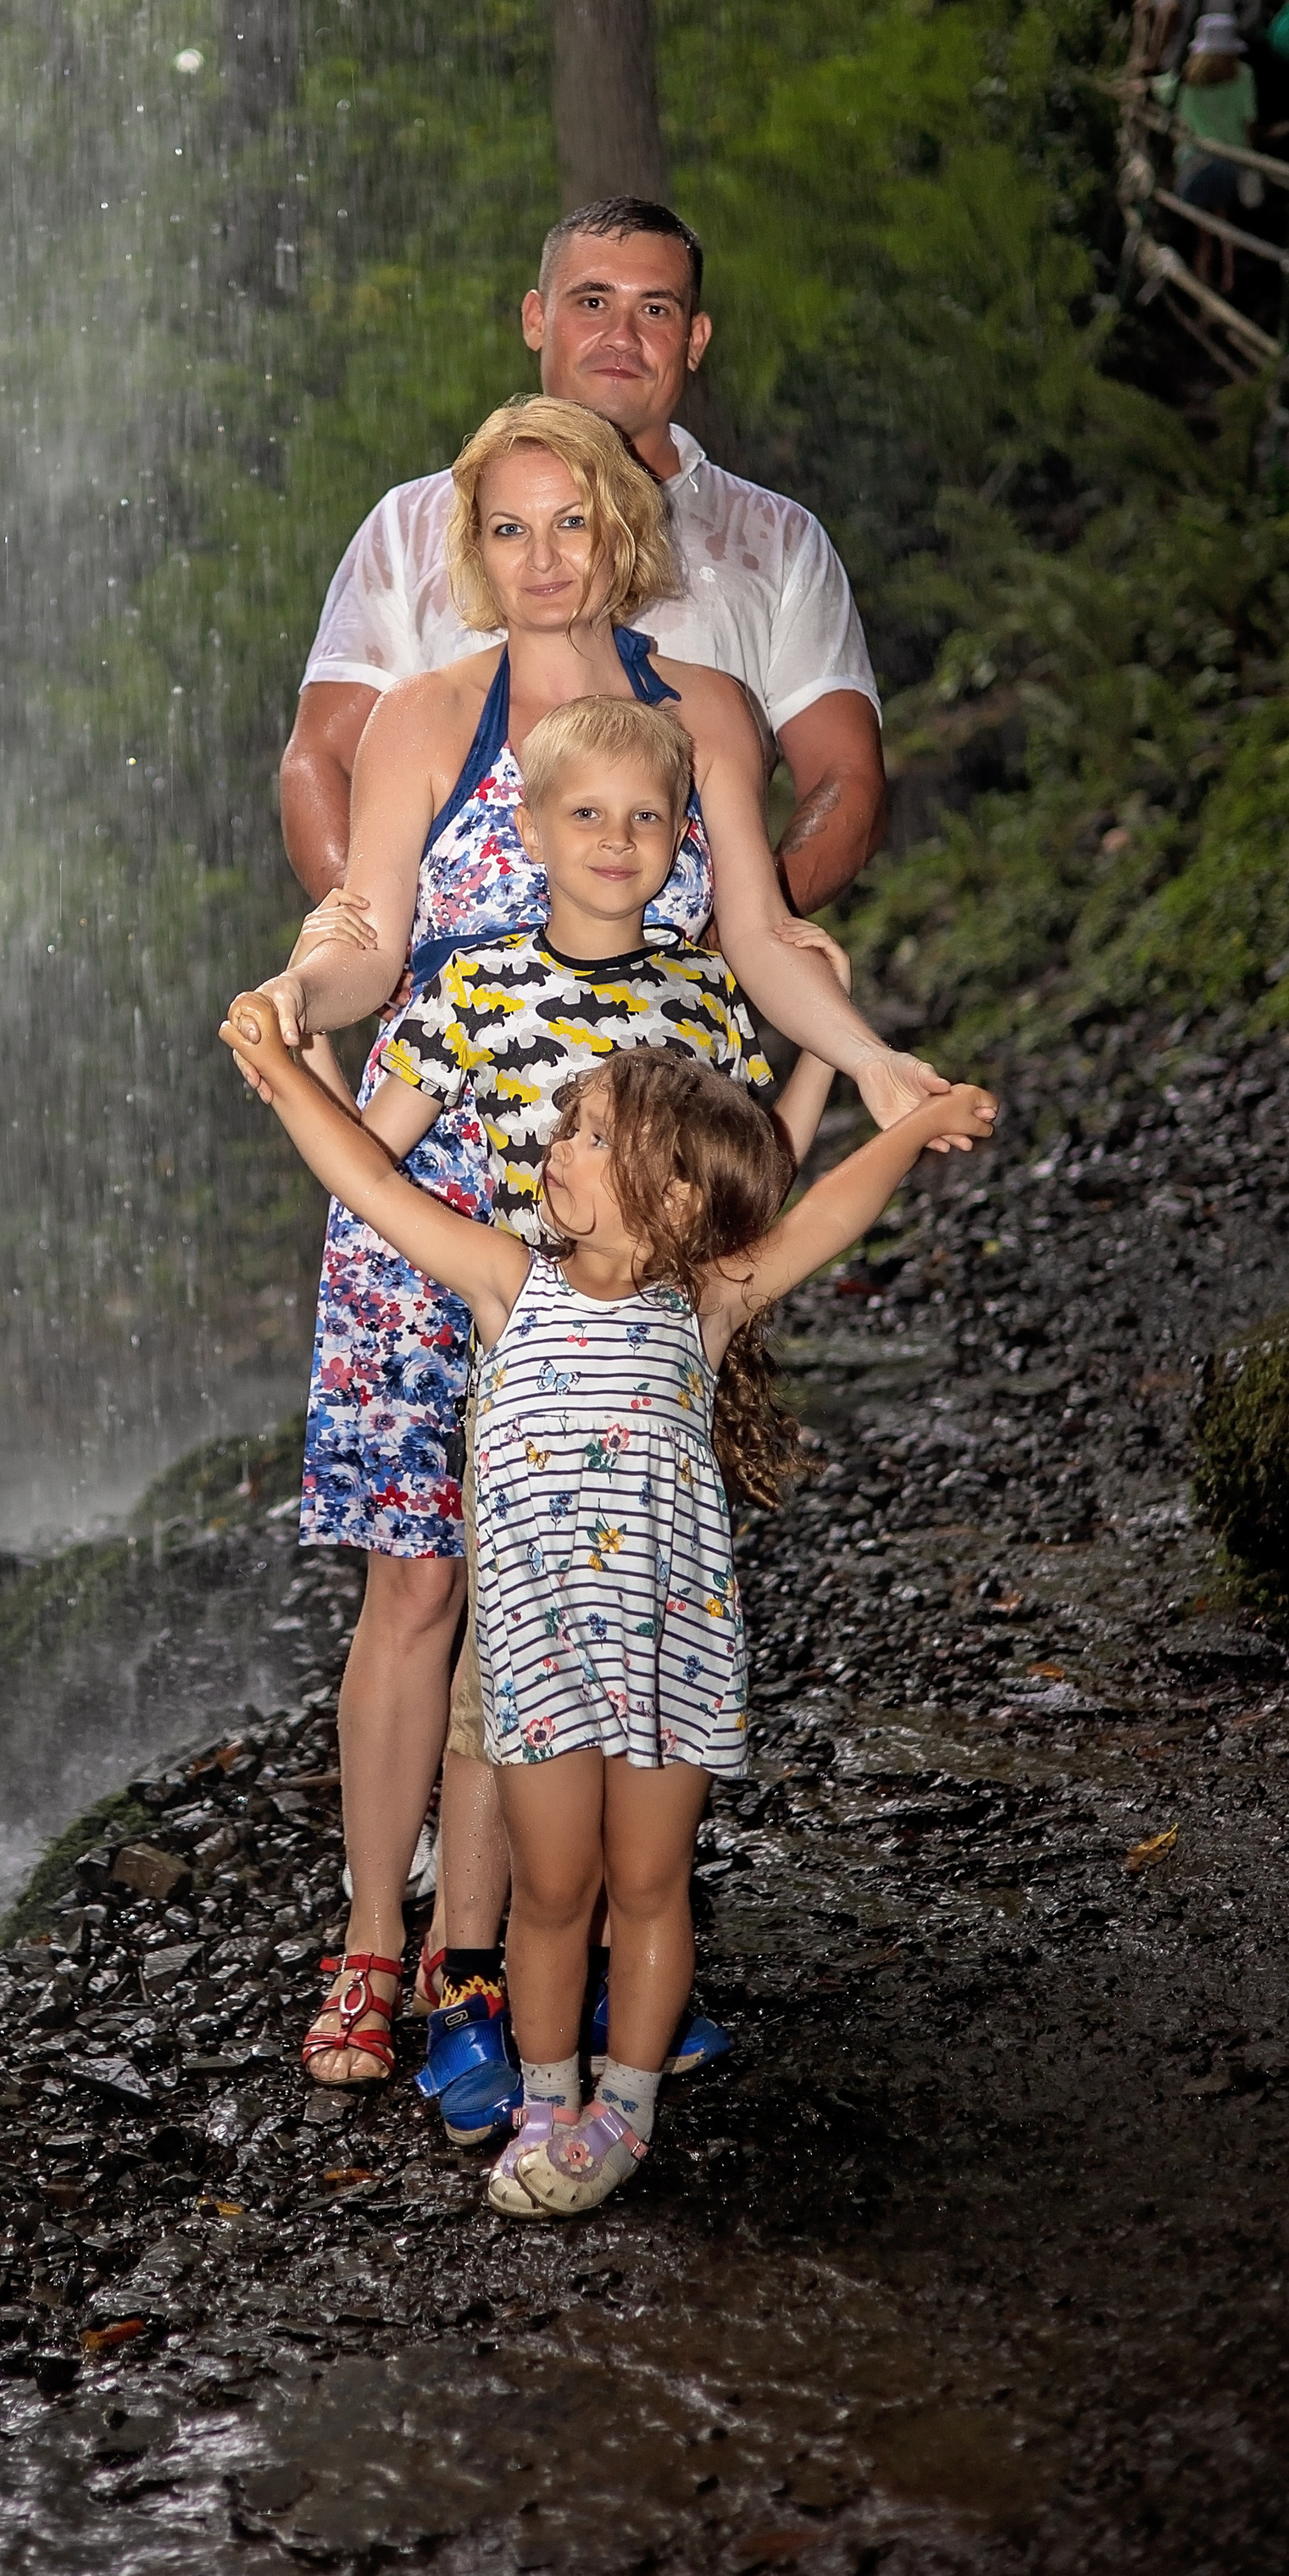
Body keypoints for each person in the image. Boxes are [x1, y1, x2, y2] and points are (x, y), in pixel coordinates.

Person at [253, 395, 955, 2090]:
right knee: (416, 1583)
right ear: (473, 550)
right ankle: (370, 1941)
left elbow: (760, 936)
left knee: (561, 1583)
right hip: (444, 1210)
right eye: (509, 528)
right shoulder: (427, 716)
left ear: (622, 532)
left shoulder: (694, 712)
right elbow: (365, 938)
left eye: (571, 522)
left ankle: (495, 1965)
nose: (544, 555)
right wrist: (295, 996)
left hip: (619, 1224)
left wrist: (862, 1065)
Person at [218, 1004, 998, 2219]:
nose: (557, 1147)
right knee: (551, 1891)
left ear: (679, 1199)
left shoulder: (707, 1302)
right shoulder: (506, 1282)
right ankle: (545, 2101)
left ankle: (622, 2111)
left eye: (590, 1135)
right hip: (536, 1656)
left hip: (667, 1653)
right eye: (571, 1128)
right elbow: (371, 1179)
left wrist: (916, 1126)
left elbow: (829, 1213)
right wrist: (280, 1072)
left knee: (648, 1883)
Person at [321, 687, 842, 2143]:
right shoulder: (472, 985)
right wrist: (300, 1053)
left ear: (679, 839)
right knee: (512, 1683)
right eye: (585, 814)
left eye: (643, 818)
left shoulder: (701, 993)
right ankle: (474, 1981)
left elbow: (752, 1182)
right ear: (529, 831)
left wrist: (827, 1053)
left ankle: (626, 1977)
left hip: (668, 1365)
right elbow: (375, 1159)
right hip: (524, 1352)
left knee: (650, 1658)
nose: (615, 840)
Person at [280, 197, 889, 921]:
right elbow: (322, 759)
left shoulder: (777, 540)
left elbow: (848, 779)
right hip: (459, 1001)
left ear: (695, 339)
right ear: (536, 318)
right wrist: (378, 942)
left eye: (655, 310)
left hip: (683, 1010)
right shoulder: (411, 525)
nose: (621, 336)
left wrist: (735, 945)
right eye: (592, 301)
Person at [1155, 12, 1259, 296]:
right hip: (1231, 161)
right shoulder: (1243, 75)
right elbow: (1249, 122)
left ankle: (1205, 288)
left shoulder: (1186, 79)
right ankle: (1230, 279)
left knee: (1203, 234)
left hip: (1193, 164)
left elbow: (1158, 89)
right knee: (1225, 221)